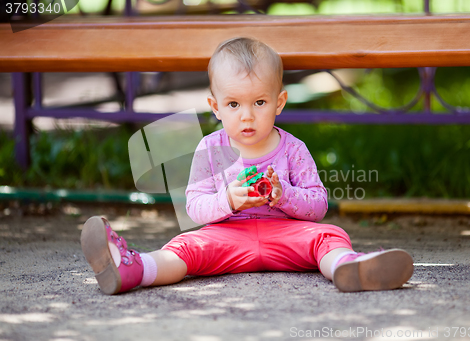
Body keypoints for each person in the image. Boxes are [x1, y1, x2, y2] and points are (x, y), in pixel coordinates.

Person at [80, 37, 414, 295]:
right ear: (215, 107)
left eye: (259, 102)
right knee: (184, 246)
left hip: (287, 236)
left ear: (279, 102)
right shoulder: (210, 148)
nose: (247, 115)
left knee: (331, 235)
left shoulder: (293, 149)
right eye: (234, 104)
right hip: (226, 237)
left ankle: (349, 267)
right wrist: (229, 200)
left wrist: (284, 196)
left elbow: (318, 205)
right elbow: (194, 207)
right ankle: (135, 268)